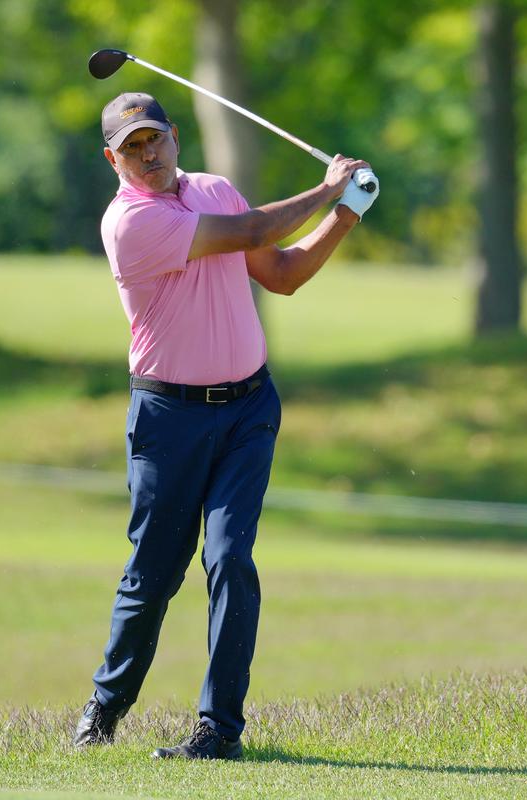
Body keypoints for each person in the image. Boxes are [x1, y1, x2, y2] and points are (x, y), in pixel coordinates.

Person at [72, 92, 378, 760]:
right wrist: (328, 188)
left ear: (174, 138)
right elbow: (250, 235)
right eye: (131, 147)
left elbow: (284, 272)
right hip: (168, 417)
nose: (146, 154)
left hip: (247, 410)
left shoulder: (214, 189)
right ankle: (106, 706)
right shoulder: (129, 224)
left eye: (153, 139)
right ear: (112, 159)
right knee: (154, 574)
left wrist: (348, 214)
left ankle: (218, 731)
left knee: (230, 559)